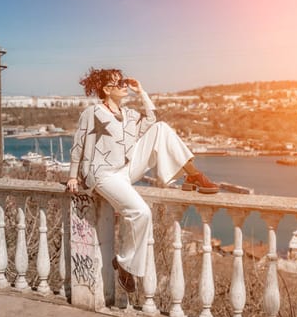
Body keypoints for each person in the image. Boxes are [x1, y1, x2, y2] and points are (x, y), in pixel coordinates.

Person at [67, 67, 218, 293]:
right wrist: (72, 175)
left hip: (126, 169)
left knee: (161, 129)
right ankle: (125, 264)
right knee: (141, 212)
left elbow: (152, 120)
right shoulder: (93, 112)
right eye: (119, 84)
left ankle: (193, 174)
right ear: (107, 89)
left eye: (124, 82)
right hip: (103, 174)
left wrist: (141, 92)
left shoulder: (128, 115)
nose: (124, 86)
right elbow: (78, 144)